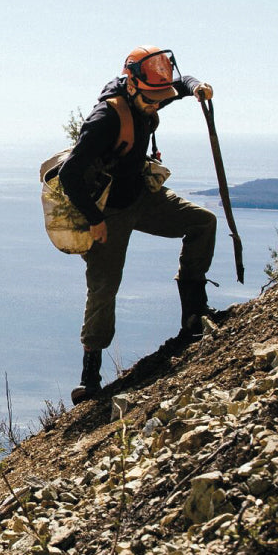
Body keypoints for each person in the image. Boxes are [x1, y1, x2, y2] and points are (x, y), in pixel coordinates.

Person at [58, 47, 217, 405]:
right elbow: (69, 174)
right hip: (109, 212)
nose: (157, 104)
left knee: (203, 223)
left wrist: (196, 87)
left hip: (140, 198)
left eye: (161, 98)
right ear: (131, 85)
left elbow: (177, 83)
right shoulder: (106, 118)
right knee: (103, 289)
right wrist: (95, 220)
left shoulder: (150, 91)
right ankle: (90, 381)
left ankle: (194, 314)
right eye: (151, 99)